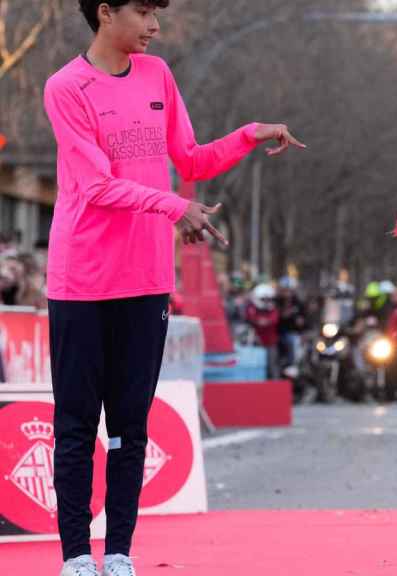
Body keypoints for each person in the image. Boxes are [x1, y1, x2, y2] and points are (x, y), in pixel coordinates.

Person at [44, 2, 304, 575]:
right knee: (77, 423)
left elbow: (190, 160)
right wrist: (173, 206)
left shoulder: (158, 74)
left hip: (146, 279)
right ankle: (75, 558)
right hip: (82, 280)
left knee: (131, 425)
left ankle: (117, 554)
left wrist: (246, 135)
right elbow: (95, 186)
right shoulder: (66, 87)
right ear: (106, 12)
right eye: (143, 11)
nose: (155, 25)